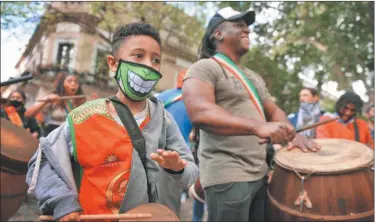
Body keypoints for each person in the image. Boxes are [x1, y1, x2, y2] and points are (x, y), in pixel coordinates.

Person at [26, 22, 198, 221]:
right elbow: (42, 162)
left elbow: (191, 173)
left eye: (156, 59)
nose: (149, 65)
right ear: (113, 64)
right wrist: (62, 201)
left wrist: (177, 167)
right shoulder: (84, 117)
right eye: (138, 55)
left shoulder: (163, 118)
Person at [182, 7, 320, 221]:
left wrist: (292, 134)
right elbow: (200, 111)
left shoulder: (253, 77)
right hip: (228, 175)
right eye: (238, 25)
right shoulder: (205, 67)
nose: (247, 30)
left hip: (260, 174)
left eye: (247, 27)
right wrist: (257, 126)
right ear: (217, 34)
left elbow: (274, 111)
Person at [156, 70, 204, 220]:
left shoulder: (162, 96)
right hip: (174, 158)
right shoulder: (195, 103)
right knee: (169, 207)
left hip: (150, 151)